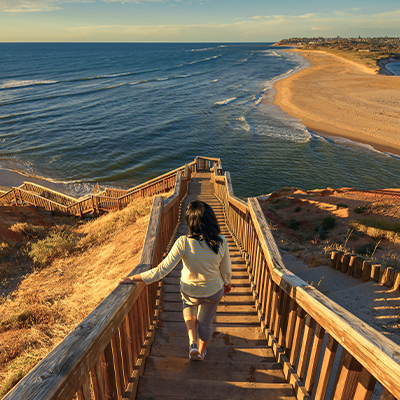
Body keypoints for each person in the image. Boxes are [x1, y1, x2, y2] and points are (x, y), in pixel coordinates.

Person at [119, 200, 232, 361]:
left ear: (190, 222)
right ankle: (201, 352)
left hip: (190, 290)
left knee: (189, 308)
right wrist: (227, 283)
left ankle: (192, 342)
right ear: (211, 219)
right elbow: (226, 271)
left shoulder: (183, 242)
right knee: (206, 322)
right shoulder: (221, 241)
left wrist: (133, 278)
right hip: (213, 290)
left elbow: (161, 270)